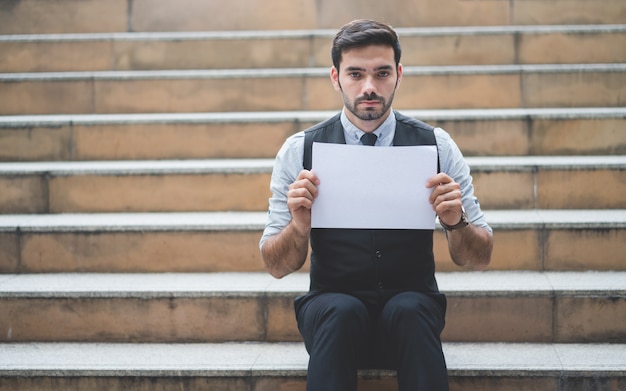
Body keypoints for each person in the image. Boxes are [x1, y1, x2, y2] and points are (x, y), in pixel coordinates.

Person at [259, 19, 494, 391]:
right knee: (340, 310)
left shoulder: (436, 146)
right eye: (355, 74)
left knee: (410, 309)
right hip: (331, 315)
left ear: (398, 74)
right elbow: (275, 265)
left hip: (412, 314)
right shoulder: (299, 150)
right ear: (335, 78)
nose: (369, 87)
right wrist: (298, 226)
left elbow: (479, 257)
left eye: (382, 73)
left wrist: (455, 221)